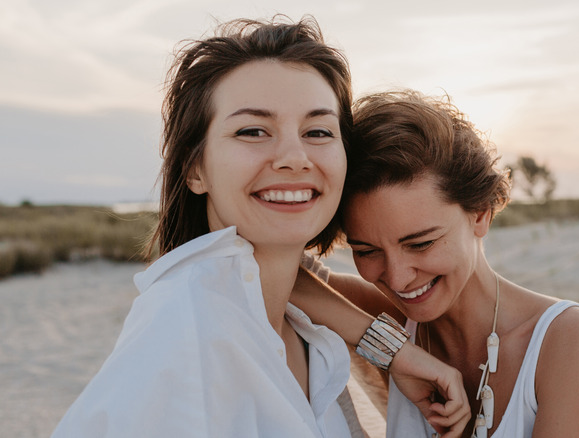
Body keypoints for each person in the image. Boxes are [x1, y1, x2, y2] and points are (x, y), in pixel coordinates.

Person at [51, 19, 468, 438]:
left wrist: (393, 353)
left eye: (318, 131)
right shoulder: (181, 331)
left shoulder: (302, 325)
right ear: (195, 170)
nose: (294, 156)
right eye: (253, 131)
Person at [292, 90, 579, 437]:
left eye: (421, 243)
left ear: (480, 214)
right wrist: (395, 351)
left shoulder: (566, 341)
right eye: (367, 251)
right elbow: (272, 271)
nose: (398, 278)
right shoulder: (387, 322)